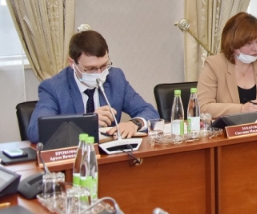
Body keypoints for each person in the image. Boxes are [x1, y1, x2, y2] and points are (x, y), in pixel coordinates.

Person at [28, 30, 159, 144]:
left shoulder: (115, 78)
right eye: (91, 69)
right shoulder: (53, 87)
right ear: (72, 63)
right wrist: (88, 122)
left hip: (110, 156)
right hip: (74, 157)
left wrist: (134, 124)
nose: (99, 73)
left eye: (104, 66)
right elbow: (35, 131)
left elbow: (150, 112)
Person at [197, 12, 257, 118]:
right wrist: (241, 110)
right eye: (248, 43)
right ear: (232, 44)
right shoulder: (214, 64)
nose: (256, 48)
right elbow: (202, 106)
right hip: (229, 128)